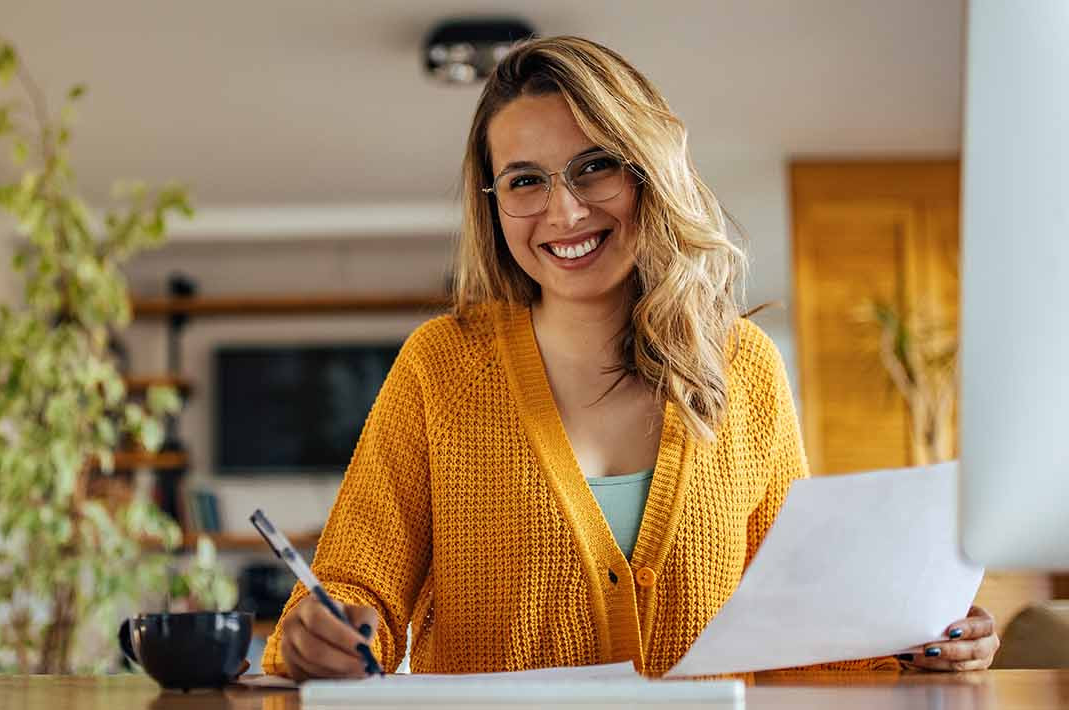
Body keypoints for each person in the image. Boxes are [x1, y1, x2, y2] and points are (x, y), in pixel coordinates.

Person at [260, 36, 1000, 679]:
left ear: (647, 170)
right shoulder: (441, 367)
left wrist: (920, 640)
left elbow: (803, 626)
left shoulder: (744, 369)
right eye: (525, 180)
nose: (565, 212)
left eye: (595, 167)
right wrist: (320, 635)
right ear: (494, 202)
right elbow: (355, 588)